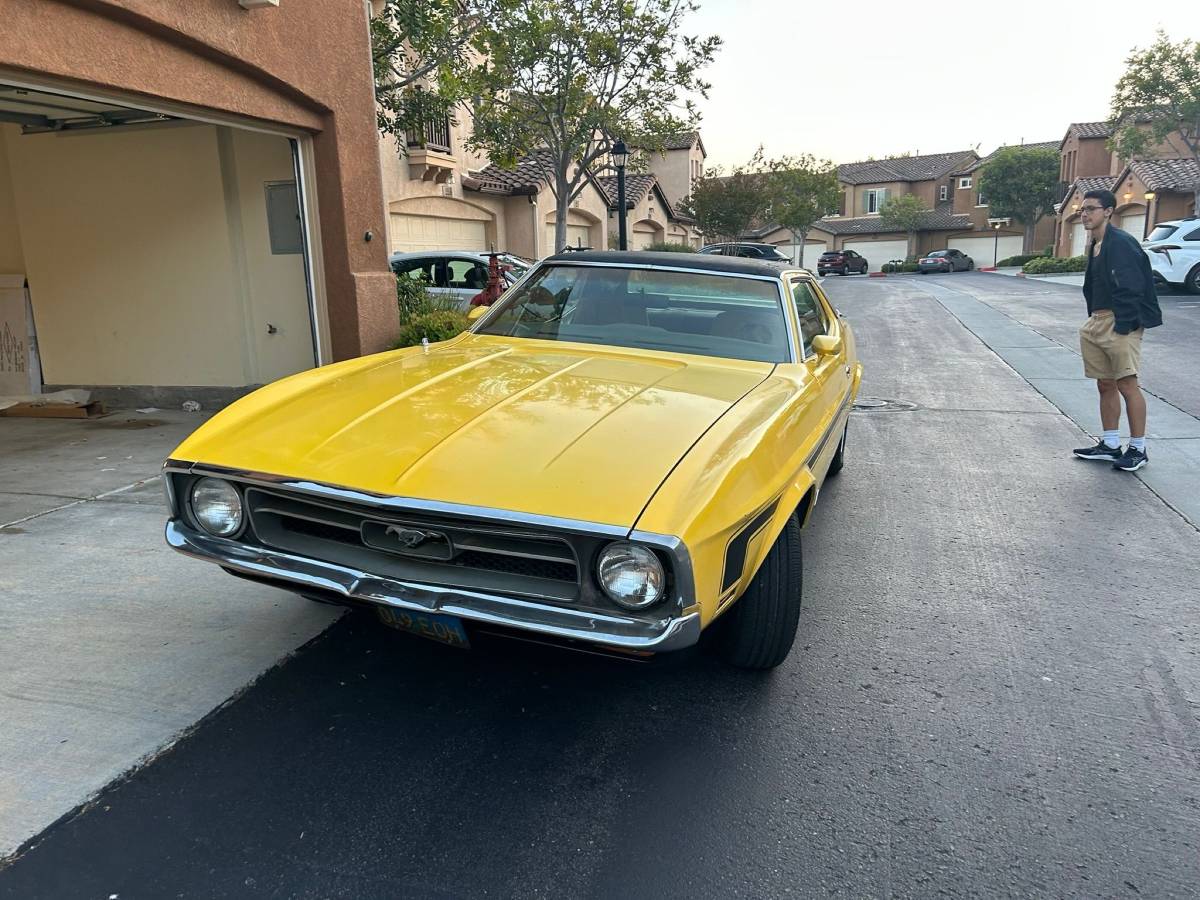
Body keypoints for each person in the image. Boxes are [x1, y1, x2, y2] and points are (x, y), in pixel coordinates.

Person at [1071, 189, 1162, 472]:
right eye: (1082, 210)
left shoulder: (1120, 243)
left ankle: (1138, 448)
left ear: (1108, 211)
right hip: (1097, 321)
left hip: (1119, 322)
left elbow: (1132, 287)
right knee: (1105, 383)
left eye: (1091, 209)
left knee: (1127, 384)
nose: (1085, 214)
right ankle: (1110, 444)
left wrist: (1124, 325)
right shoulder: (1097, 243)